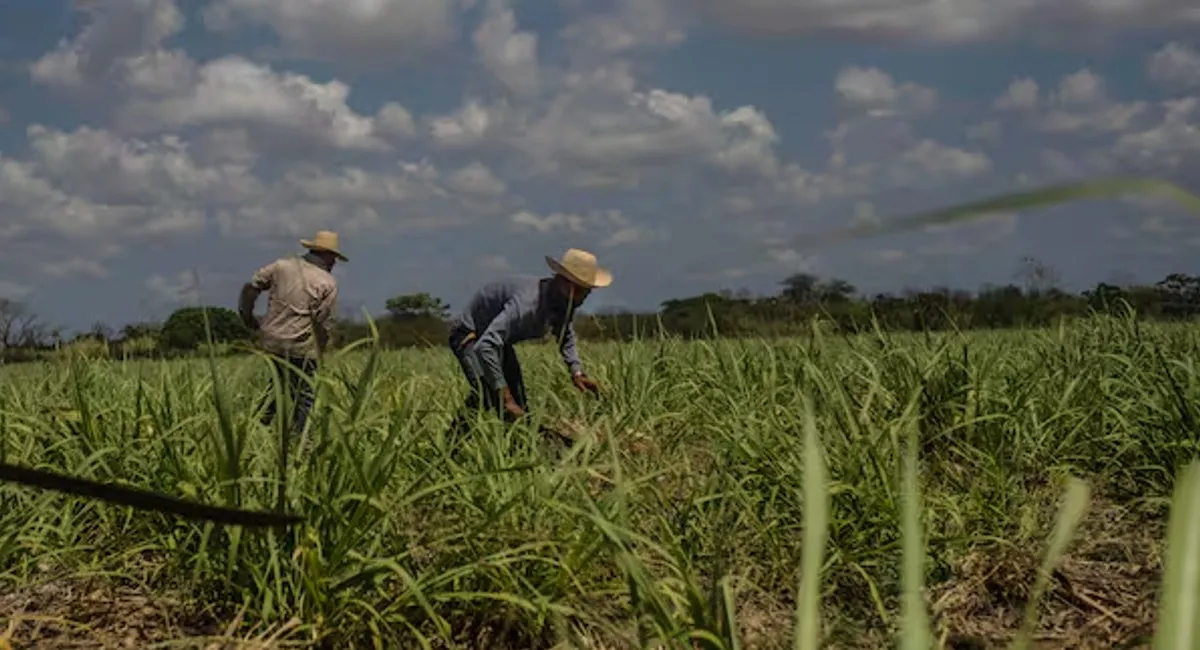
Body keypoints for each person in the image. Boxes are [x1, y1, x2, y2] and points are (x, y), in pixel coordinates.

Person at [447, 248, 610, 430]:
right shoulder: (527, 304)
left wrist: (577, 372)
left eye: (586, 292)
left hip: (501, 342)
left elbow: (566, 333)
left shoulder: (564, 303)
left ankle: (521, 449)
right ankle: (448, 449)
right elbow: (485, 345)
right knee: (488, 394)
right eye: (578, 290)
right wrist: (505, 396)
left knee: (519, 404)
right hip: (471, 336)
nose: (582, 299)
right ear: (562, 282)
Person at [238, 230, 345, 435]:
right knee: (304, 395)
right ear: (328, 256)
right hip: (301, 346)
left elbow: (252, 287)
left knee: (277, 388)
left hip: (272, 342)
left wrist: (247, 317)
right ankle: (301, 440)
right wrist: (321, 352)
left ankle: (256, 430)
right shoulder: (327, 282)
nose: (334, 263)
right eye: (334, 258)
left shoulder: (281, 266)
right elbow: (324, 322)